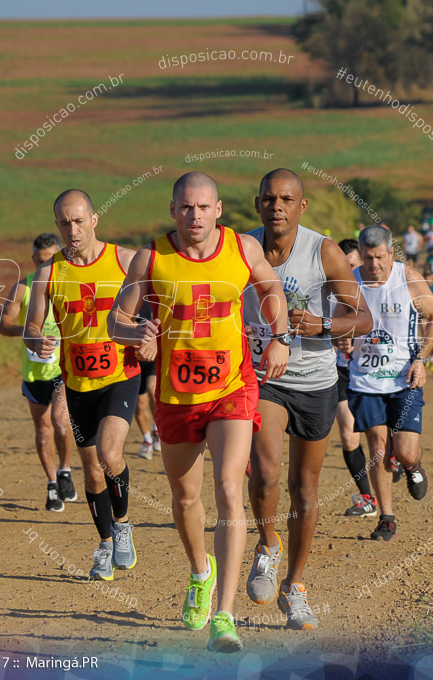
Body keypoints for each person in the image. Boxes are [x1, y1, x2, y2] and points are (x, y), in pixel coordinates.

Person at [108, 171, 289, 652]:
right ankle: (200, 573)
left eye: (203, 207)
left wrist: (281, 338)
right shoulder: (152, 257)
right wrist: (136, 336)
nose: (195, 216)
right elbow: (117, 320)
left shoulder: (241, 250)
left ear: (219, 209)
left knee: (230, 487)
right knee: (186, 498)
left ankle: (225, 617)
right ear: (173, 211)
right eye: (186, 208)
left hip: (233, 387)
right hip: (175, 395)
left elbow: (272, 290)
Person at [242, 169, 372, 630]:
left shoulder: (324, 251)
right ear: (257, 204)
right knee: (266, 471)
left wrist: (323, 326)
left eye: (286, 199)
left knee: (305, 487)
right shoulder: (242, 248)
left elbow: (363, 318)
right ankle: (267, 546)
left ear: (302, 206)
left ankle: (294, 588)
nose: (277, 206)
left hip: (315, 380)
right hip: (263, 378)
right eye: (269, 198)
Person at [25, 189, 145, 582]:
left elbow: (159, 308)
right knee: (92, 472)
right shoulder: (49, 272)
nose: (72, 230)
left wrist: (150, 336)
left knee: (110, 454)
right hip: (78, 383)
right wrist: (35, 340)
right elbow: (30, 327)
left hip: (120, 376)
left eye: (78, 221)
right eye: (64, 223)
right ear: (56, 225)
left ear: (94, 219)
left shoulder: (125, 262)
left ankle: (123, 524)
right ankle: (107, 543)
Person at [341, 225, 433, 542]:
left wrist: (421, 359)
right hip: (365, 379)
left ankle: (414, 467)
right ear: (361, 252)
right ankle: (387, 518)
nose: (374, 265)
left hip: (403, 378)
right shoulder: (351, 281)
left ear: (391, 253)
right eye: (368, 258)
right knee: (378, 449)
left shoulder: (408, 279)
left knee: (405, 451)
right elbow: (338, 320)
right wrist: (341, 340)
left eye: (380, 258)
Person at [0, 233, 76, 512]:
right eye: (39, 261)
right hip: (34, 372)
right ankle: (52, 484)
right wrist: (29, 333)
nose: (44, 267)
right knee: (43, 431)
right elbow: (1, 324)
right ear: (33, 260)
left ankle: (65, 469)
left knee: (60, 422)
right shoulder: (23, 287)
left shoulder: (71, 285)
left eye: (49, 261)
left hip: (64, 369)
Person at [335, 240, 376, 518]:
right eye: (344, 266)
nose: (349, 271)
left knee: (380, 434)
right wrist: (340, 340)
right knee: (349, 436)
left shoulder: (372, 289)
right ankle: (366, 498)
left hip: (375, 370)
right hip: (341, 369)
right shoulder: (331, 288)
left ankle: (400, 457)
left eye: (353, 265)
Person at [134, 302, 160, 460]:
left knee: (153, 390)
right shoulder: (125, 296)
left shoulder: (154, 297)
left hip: (153, 356)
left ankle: (157, 428)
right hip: (133, 358)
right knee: (140, 404)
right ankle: (147, 440)